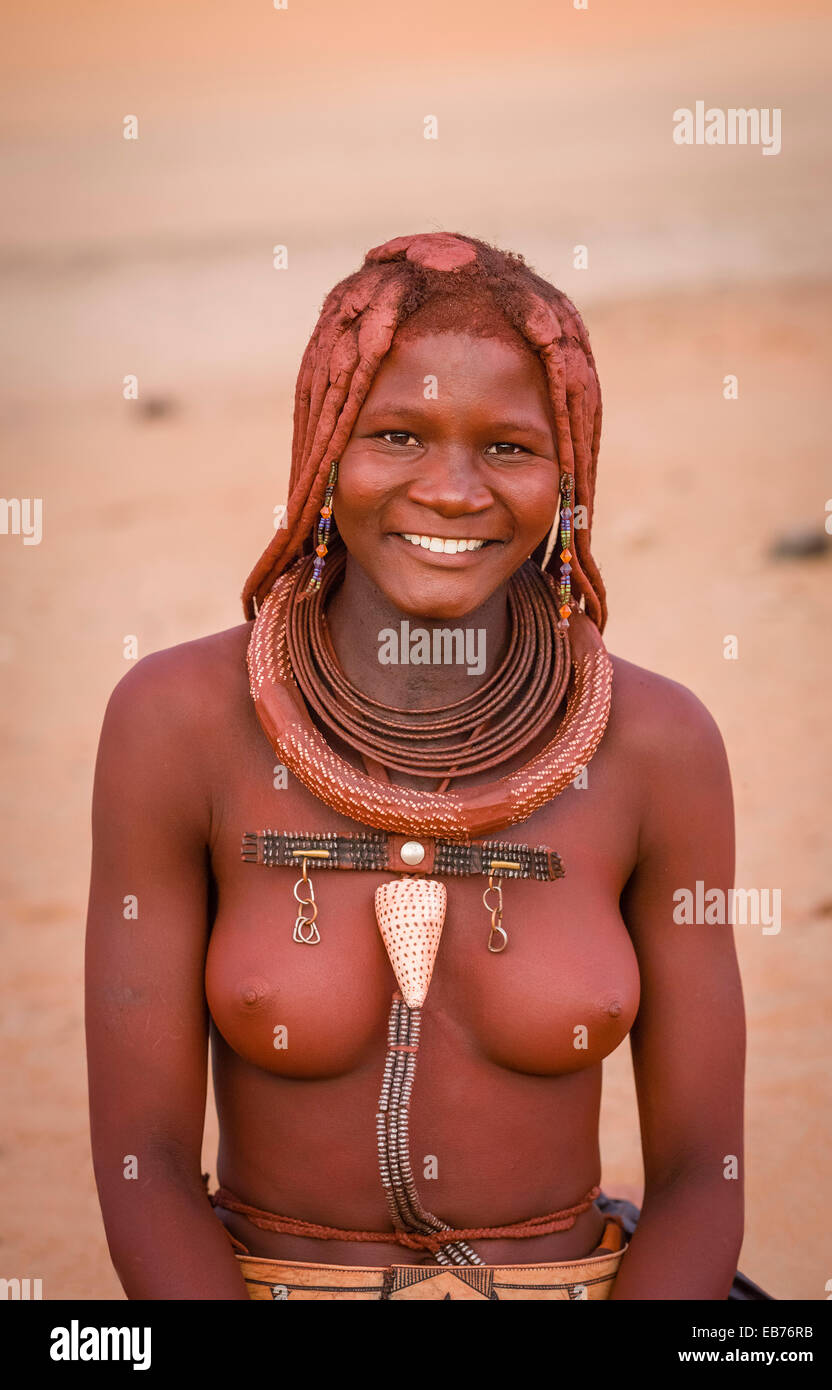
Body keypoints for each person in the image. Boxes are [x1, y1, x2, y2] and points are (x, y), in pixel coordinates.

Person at [86, 231, 766, 1300]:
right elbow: (144, 1166)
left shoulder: (656, 745)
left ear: (568, 472)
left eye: (506, 447)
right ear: (323, 452)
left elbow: (700, 1175)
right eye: (396, 434)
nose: (451, 492)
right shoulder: (177, 725)